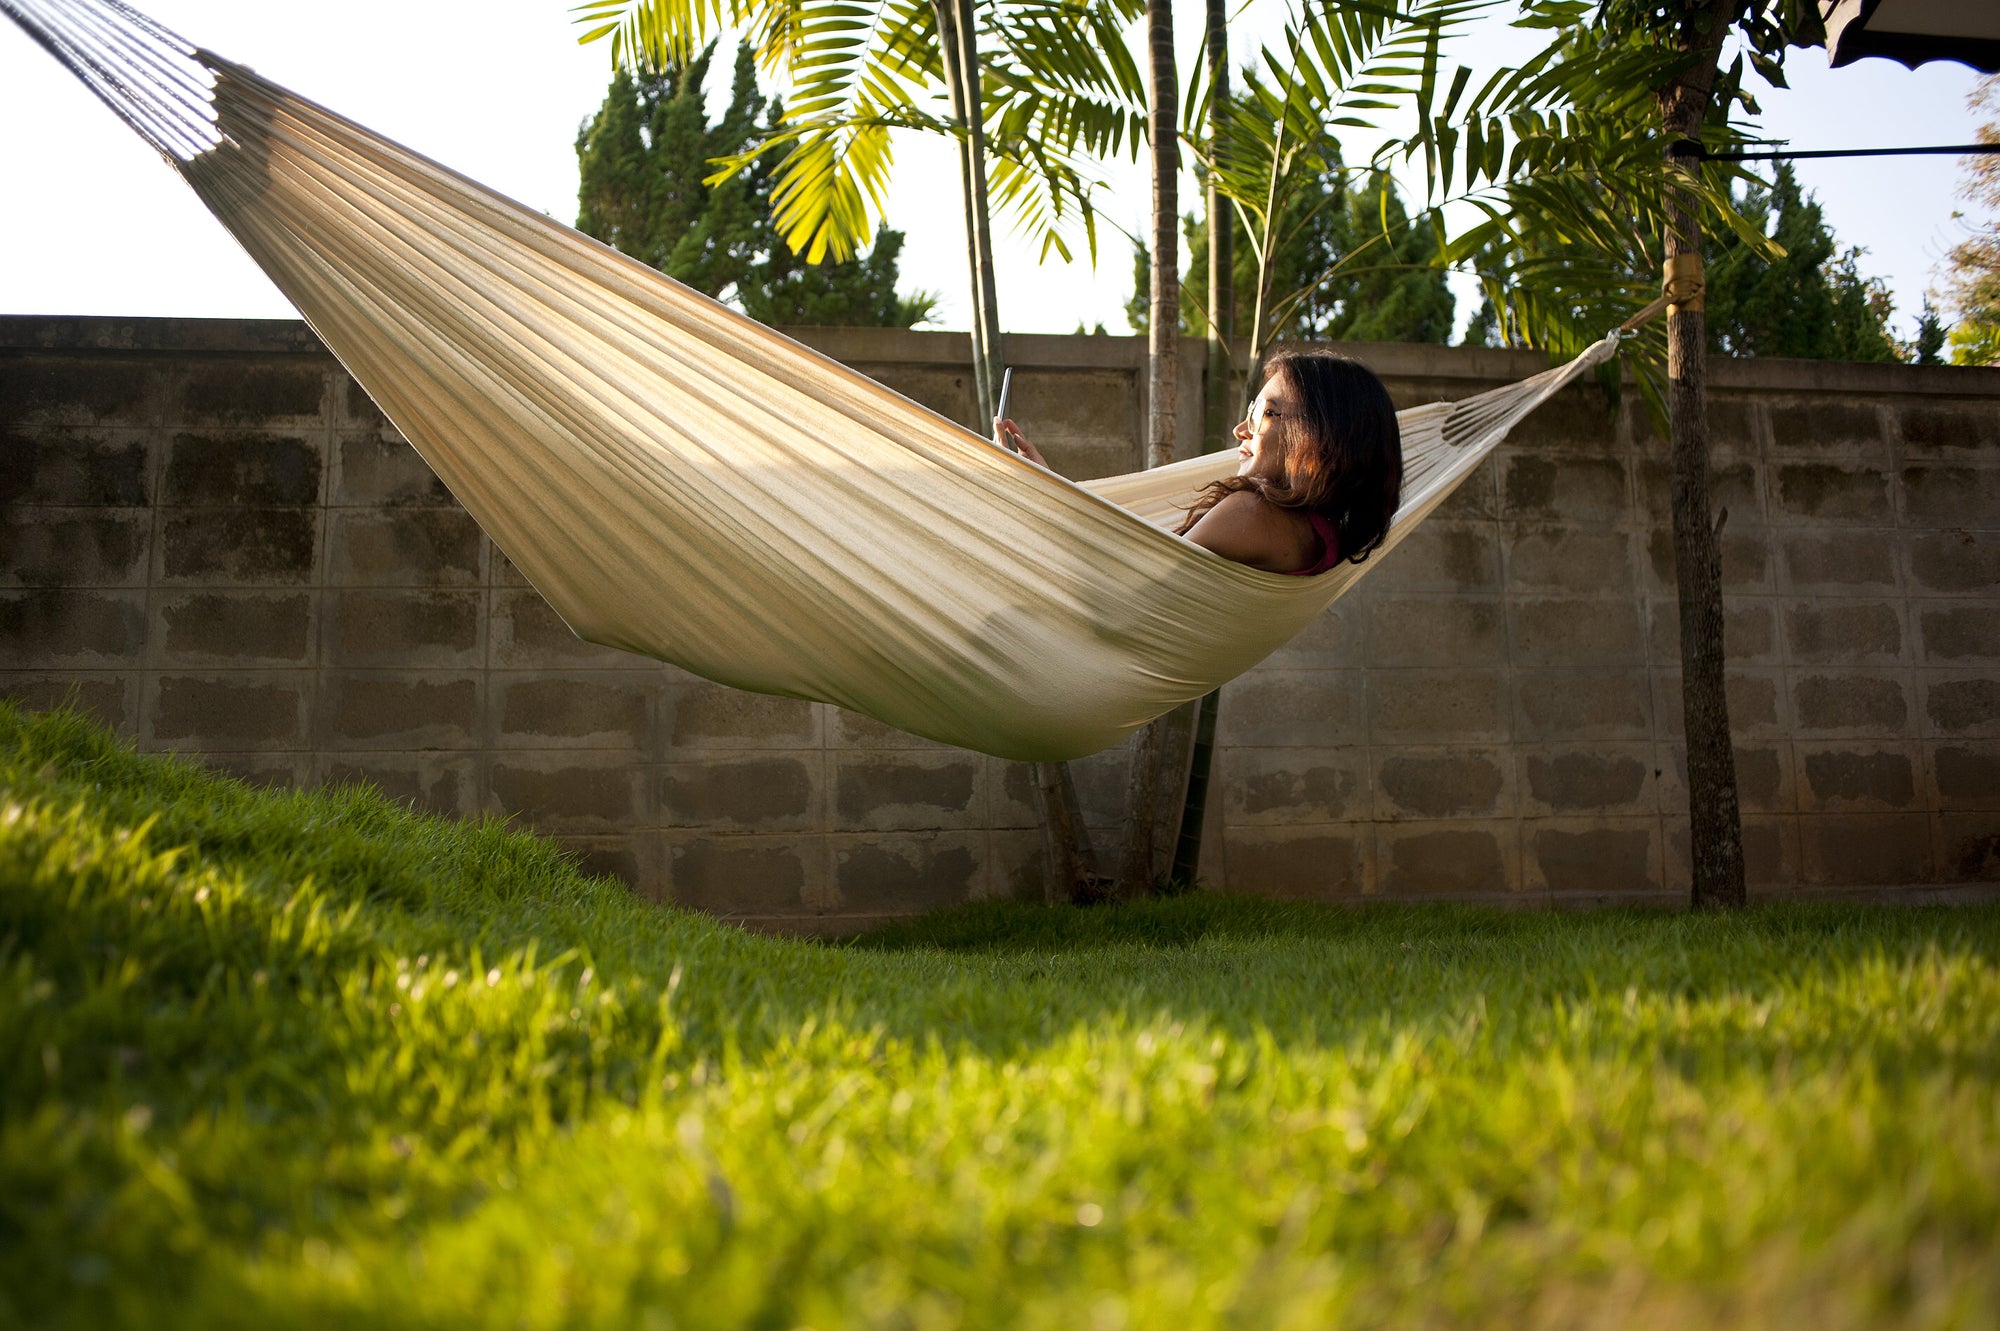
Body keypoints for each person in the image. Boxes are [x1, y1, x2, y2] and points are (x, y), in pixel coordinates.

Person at [994, 350, 1404, 576]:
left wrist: (1037, 498)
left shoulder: (1253, 513)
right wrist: (1047, 486)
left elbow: (1126, 589)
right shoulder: (1322, 537)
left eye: (1264, 411)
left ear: (1318, 435)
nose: (1240, 429)